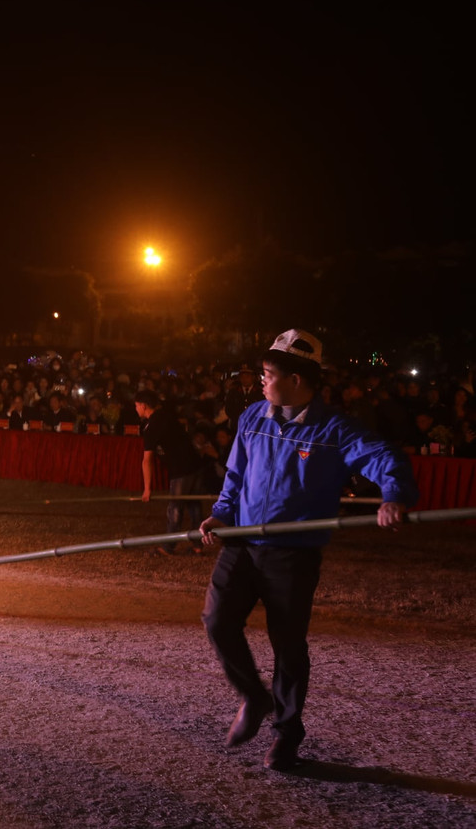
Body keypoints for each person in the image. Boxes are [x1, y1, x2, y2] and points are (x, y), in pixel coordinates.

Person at [198, 329, 416, 771]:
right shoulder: (252, 416)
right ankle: (255, 697)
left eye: (268, 373)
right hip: (242, 541)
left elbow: (386, 458)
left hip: (292, 554)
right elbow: (235, 475)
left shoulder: (334, 430)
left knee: (288, 645)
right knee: (217, 620)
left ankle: (287, 734)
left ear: (296, 380)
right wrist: (221, 514)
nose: (261, 380)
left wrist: (393, 496)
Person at [135, 389, 204, 555]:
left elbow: (147, 460)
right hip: (195, 464)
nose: (136, 409)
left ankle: (168, 546)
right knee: (194, 505)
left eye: (136, 406)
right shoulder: (167, 415)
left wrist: (147, 489)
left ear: (143, 406)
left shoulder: (152, 426)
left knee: (175, 508)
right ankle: (197, 545)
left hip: (181, 469)